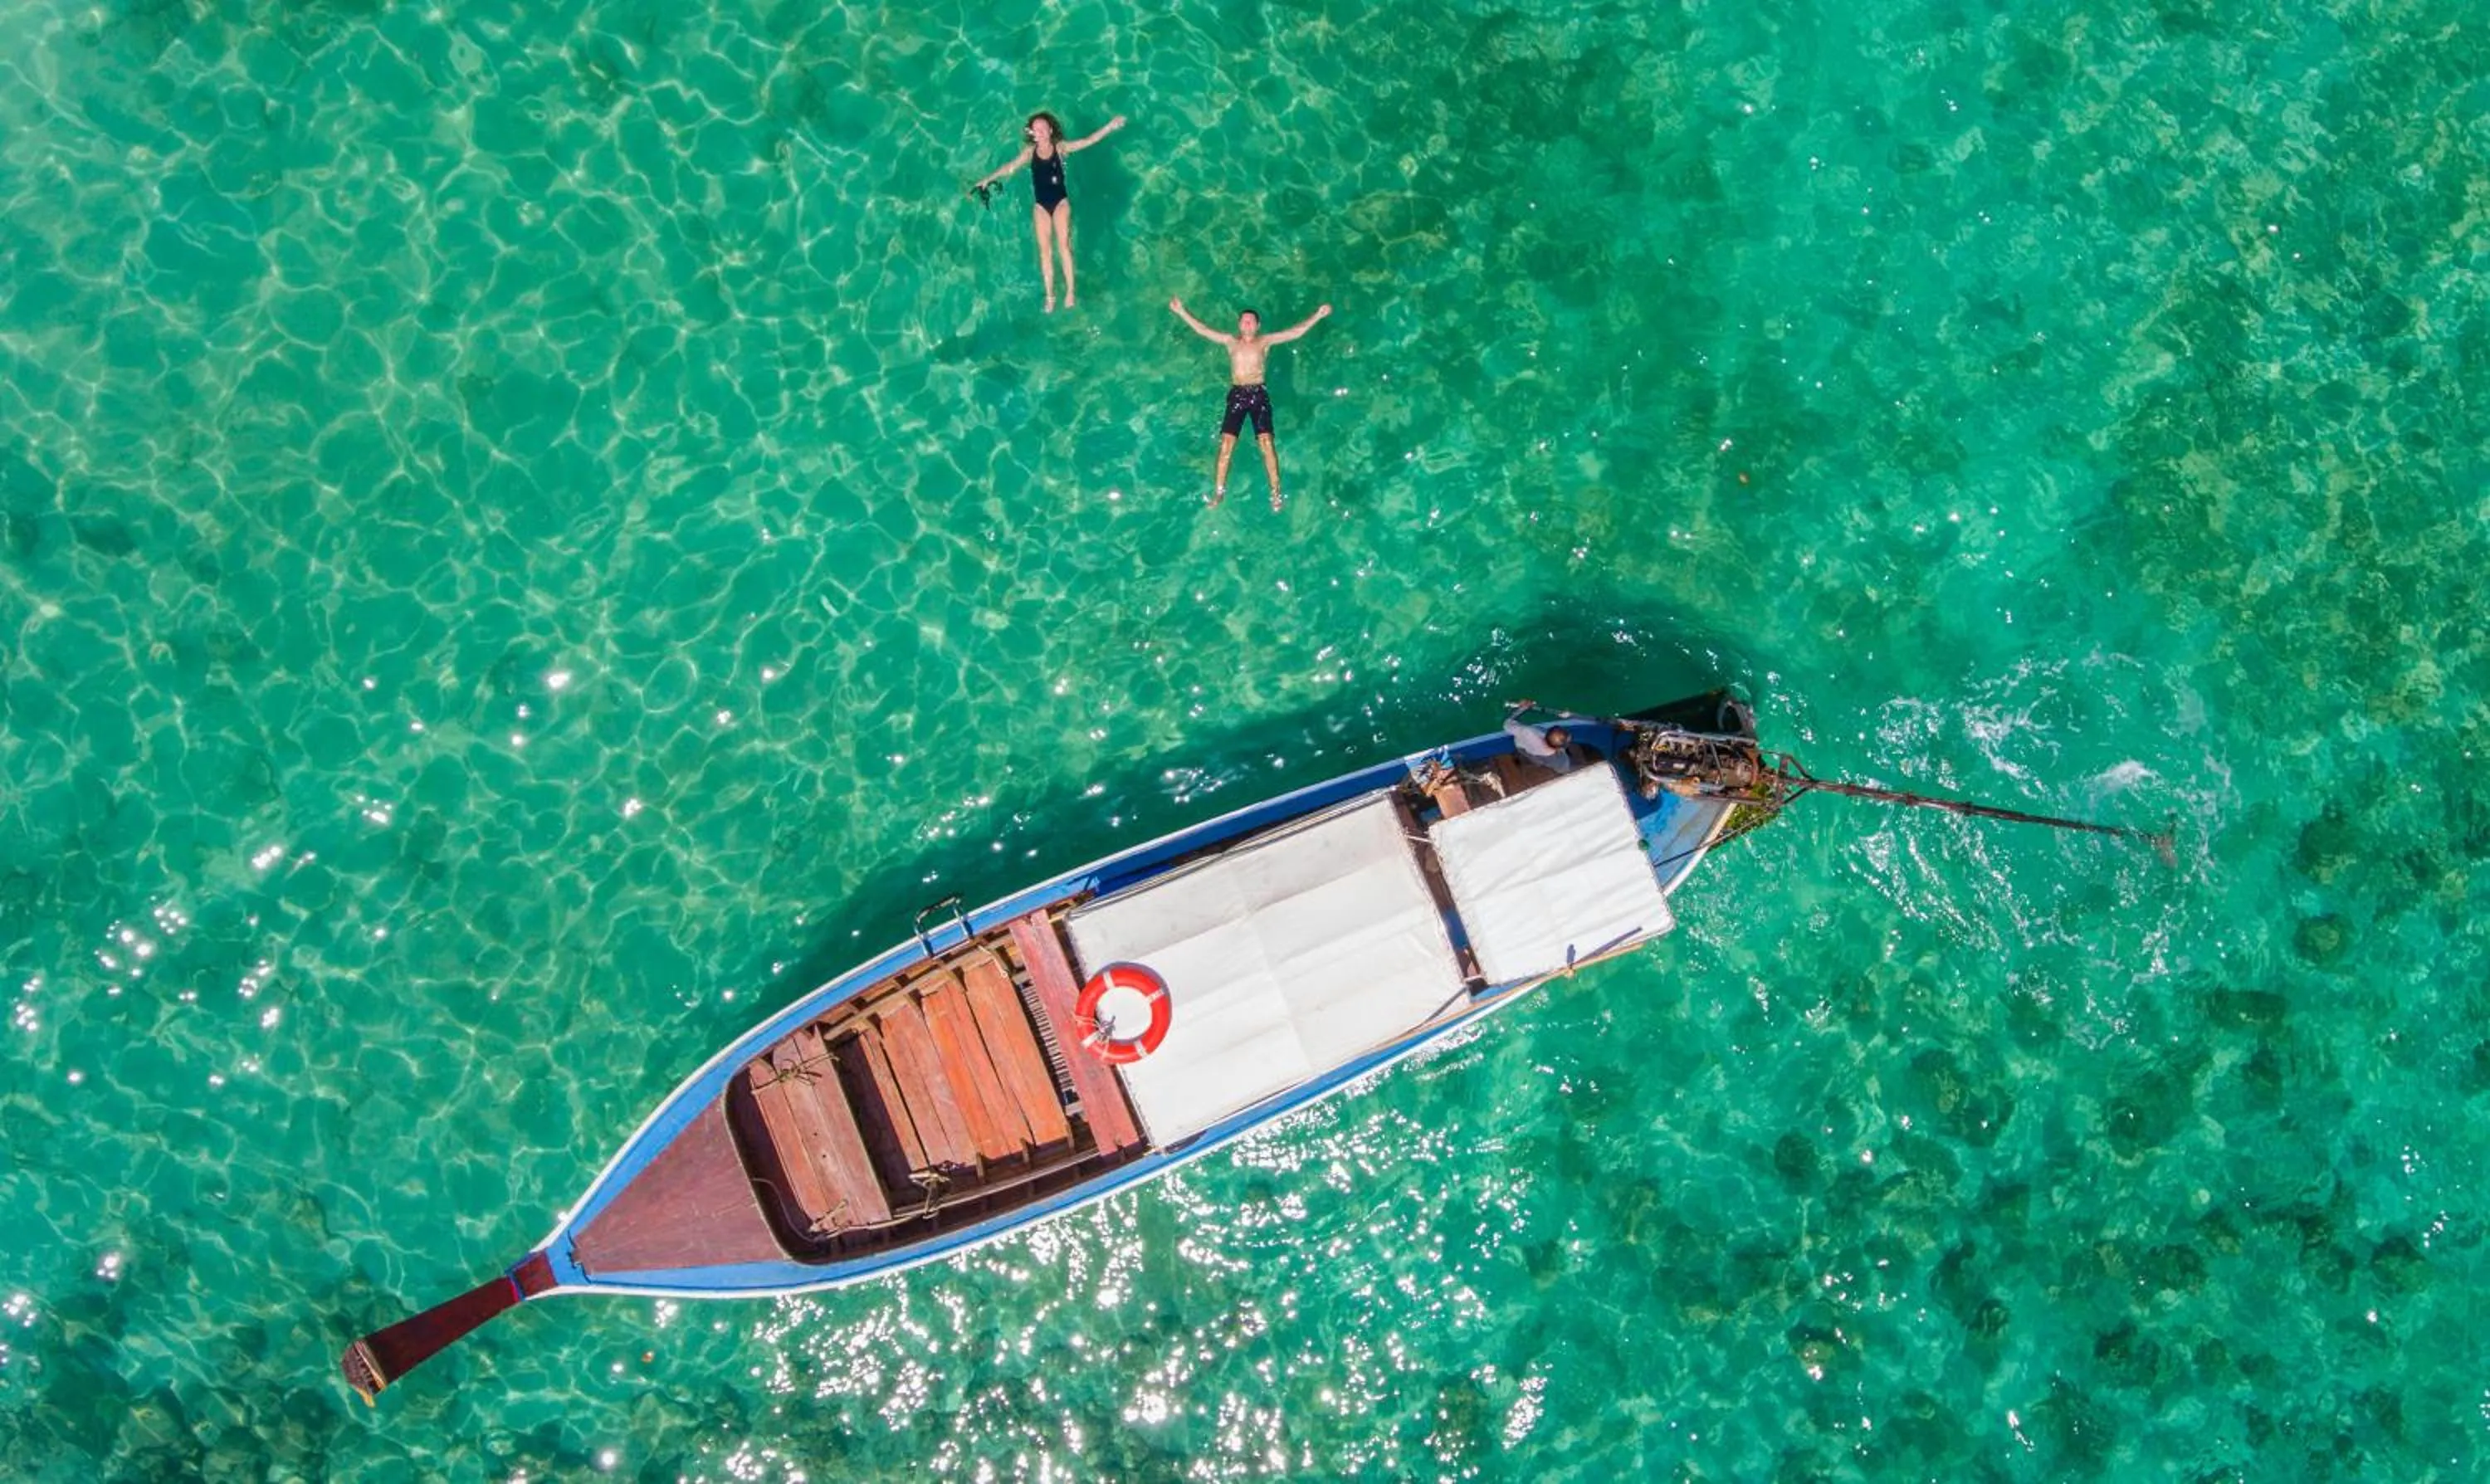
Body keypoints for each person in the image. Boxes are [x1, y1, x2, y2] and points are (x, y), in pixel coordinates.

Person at [1167, 298, 1331, 510]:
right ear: (1238, 324)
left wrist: (1317, 316)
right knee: (1226, 445)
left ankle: (1276, 493)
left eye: (1251, 322)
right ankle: (1218, 493)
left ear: (1258, 326)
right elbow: (1203, 330)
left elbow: (1293, 333)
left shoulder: (1264, 342)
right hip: (1237, 396)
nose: (1247, 324)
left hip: (1258, 395)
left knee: (1266, 444)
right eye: (1244, 321)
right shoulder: (1230, 341)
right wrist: (1182, 311)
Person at [969, 111, 1127, 312]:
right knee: (1045, 252)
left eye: (1044, 128)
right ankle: (1050, 296)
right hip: (1041, 207)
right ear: (1033, 133)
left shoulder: (1060, 148)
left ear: (1050, 130)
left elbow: (1088, 141)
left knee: (1064, 246)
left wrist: (1110, 126)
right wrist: (987, 179)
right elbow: (1010, 167)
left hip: (1061, 203)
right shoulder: (1029, 152)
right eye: (1036, 129)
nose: (1041, 132)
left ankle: (1070, 291)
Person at [1503, 700, 1579, 774]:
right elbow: (1563, 769)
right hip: (1536, 755)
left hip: (1522, 745)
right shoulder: (1559, 760)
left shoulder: (1528, 732)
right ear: (1559, 748)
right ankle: (1537, 763)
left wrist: (1523, 708)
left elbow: (1506, 724)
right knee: (1540, 761)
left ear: (1548, 731)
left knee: (1532, 757)